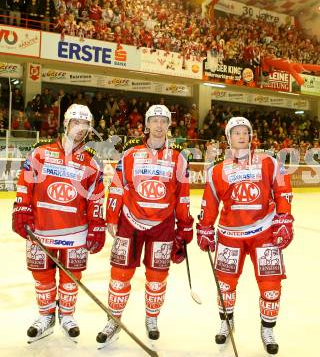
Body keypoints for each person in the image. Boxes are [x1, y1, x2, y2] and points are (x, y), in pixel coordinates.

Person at [96, 104, 194, 348]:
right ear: (146, 125)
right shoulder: (130, 154)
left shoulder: (178, 157)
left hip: (162, 226)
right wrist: (111, 216)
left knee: (157, 277)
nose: (159, 125)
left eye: (163, 121)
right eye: (155, 121)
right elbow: (118, 186)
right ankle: (113, 320)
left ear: (168, 126)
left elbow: (182, 195)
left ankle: (152, 319)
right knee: (120, 275)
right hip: (130, 222)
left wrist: (184, 227)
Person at [196, 117, 294, 355]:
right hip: (230, 235)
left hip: (265, 232)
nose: (241, 136)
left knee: (271, 286)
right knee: (225, 285)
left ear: (251, 136)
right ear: (228, 138)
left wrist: (284, 217)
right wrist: (205, 227)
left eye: (245, 132)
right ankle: (226, 321)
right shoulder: (217, 170)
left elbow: (283, 190)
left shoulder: (269, 162)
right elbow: (210, 203)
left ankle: (267, 328)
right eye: (236, 132)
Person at [12, 104, 106, 343]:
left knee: (71, 276)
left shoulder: (92, 163)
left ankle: (66, 314)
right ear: (65, 124)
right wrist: (22, 209)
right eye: (76, 123)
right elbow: (25, 183)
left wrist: (96, 224)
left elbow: (96, 197)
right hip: (41, 229)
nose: (80, 129)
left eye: (85, 125)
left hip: (75, 232)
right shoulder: (40, 153)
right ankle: (45, 316)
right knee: (42, 276)